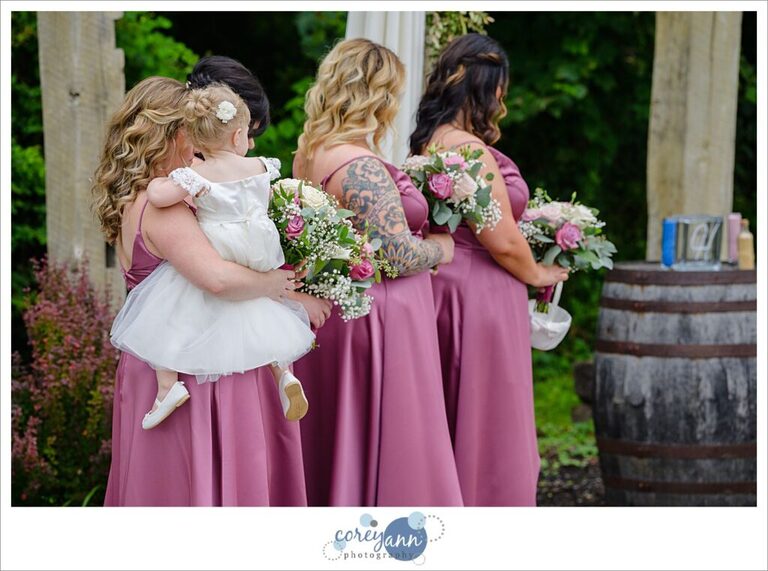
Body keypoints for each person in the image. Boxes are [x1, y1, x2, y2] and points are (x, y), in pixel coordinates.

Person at [94, 76, 306, 505]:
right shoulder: (162, 207)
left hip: (163, 356)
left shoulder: (136, 199)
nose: (200, 147)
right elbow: (217, 279)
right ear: (174, 135)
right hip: (197, 367)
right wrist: (275, 283)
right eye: (193, 133)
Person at [292, 38, 463, 506]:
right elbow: (396, 254)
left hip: (341, 314)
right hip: (380, 320)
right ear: (379, 95)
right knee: (396, 445)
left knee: (343, 439)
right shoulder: (360, 166)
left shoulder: (310, 153)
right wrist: (441, 249)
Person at [410, 33, 569, 506]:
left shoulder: (432, 140)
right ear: (485, 87)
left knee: (457, 410)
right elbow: (499, 236)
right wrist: (538, 273)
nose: (503, 99)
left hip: (447, 288)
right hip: (481, 295)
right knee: (492, 417)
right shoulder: (470, 150)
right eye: (500, 87)